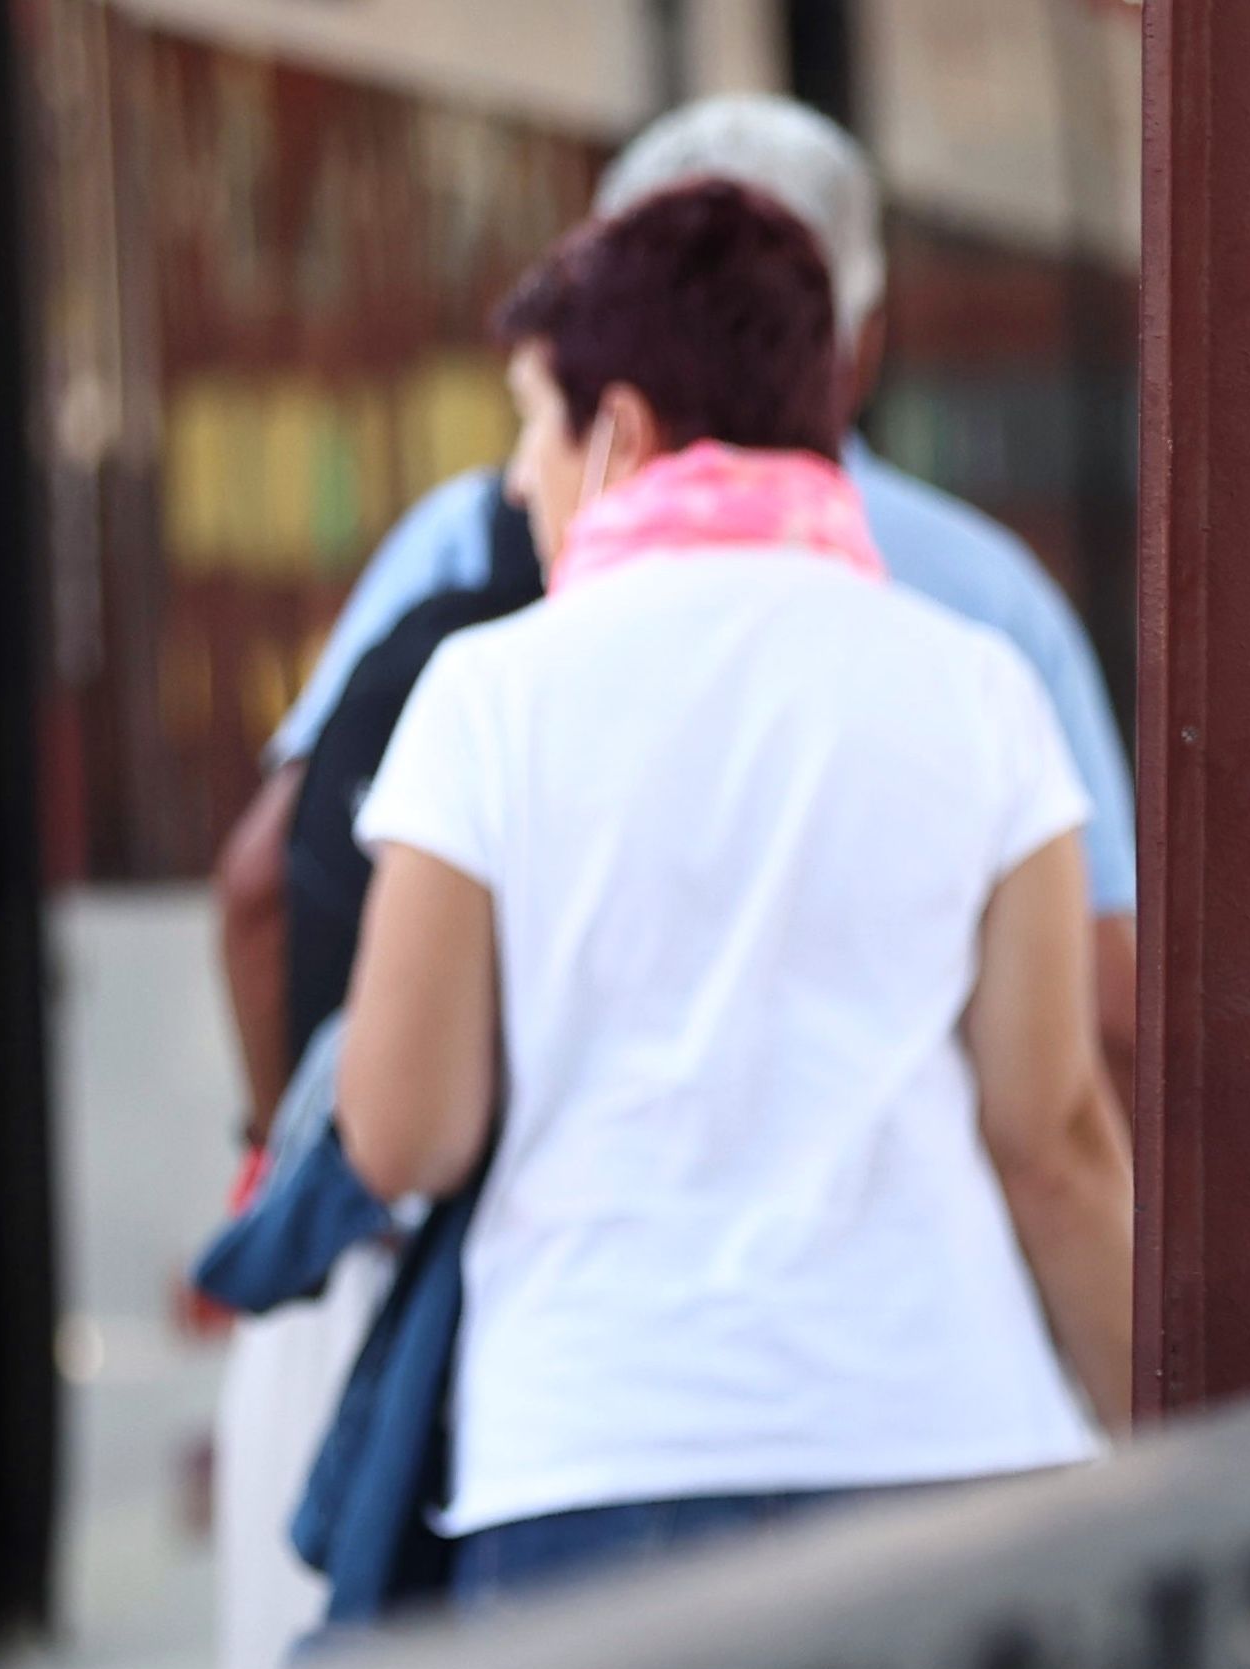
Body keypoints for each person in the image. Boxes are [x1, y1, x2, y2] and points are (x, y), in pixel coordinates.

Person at [330, 179, 1127, 1600]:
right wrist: (1164, 1449)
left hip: (596, 1453)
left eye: (532, 419)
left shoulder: (488, 698)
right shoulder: (977, 689)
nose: (520, 478)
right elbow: (1050, 1136)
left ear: (619, 429)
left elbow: (404, 1131)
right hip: (941, 1430)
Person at [217, 92, 1138, 1110]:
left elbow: (267, 889)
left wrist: (281, 1164)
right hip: (910, 1235)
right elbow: (1103, 1001)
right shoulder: (982, 618)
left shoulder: (474, 608)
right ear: (858, 343)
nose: (528, 478)